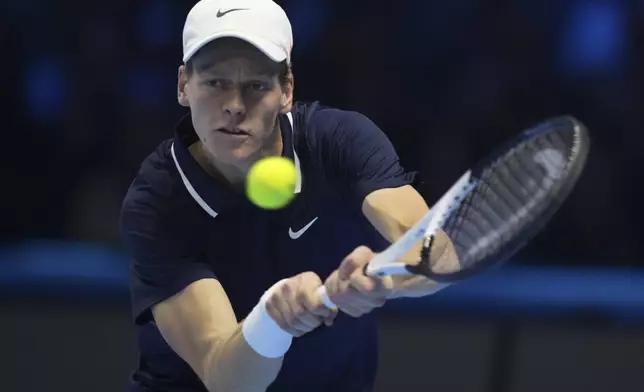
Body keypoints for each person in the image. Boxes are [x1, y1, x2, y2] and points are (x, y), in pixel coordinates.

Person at [120, 0, 456, 391]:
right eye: (216, 83)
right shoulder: (157, 201)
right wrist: (272, 320)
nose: (233, 106)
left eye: (257, 86)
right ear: (183, 85)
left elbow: (439, 252)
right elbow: (227, 380)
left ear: (286, 91)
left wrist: (383, 277)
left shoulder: (340, 142)